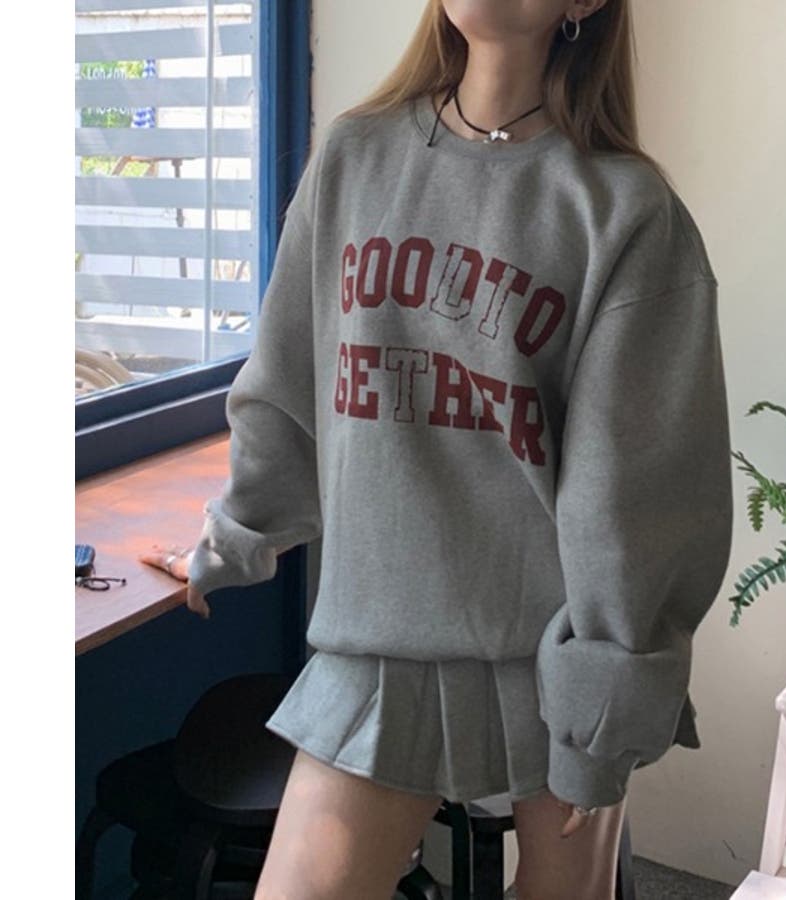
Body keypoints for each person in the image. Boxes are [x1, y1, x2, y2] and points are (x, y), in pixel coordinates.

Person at [139, 1, 734, 897]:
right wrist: (232, 539)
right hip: (379, 641)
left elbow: (638, 494)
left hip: (558, 653)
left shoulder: (624, 210)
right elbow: (288, 386)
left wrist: (605, 716)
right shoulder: (354, 156)